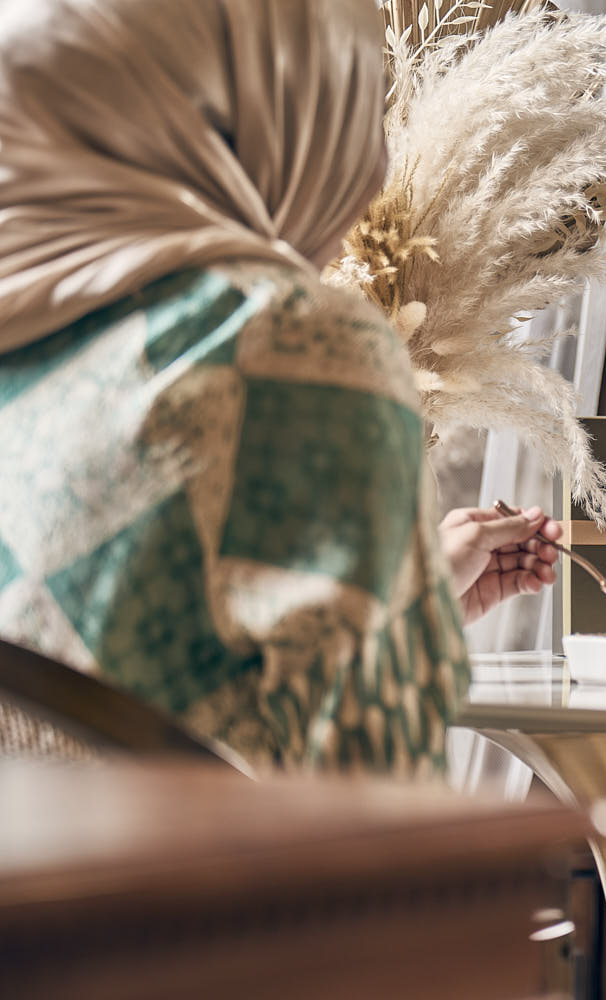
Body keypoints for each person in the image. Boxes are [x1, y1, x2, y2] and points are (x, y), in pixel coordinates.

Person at [0, 0, 560, 776]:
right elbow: (371, 792)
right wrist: (401, 647)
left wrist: (405, 605)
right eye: (359, 98)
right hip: (191, 891)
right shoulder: (278, 341)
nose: (371, 169)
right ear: (274, 107)